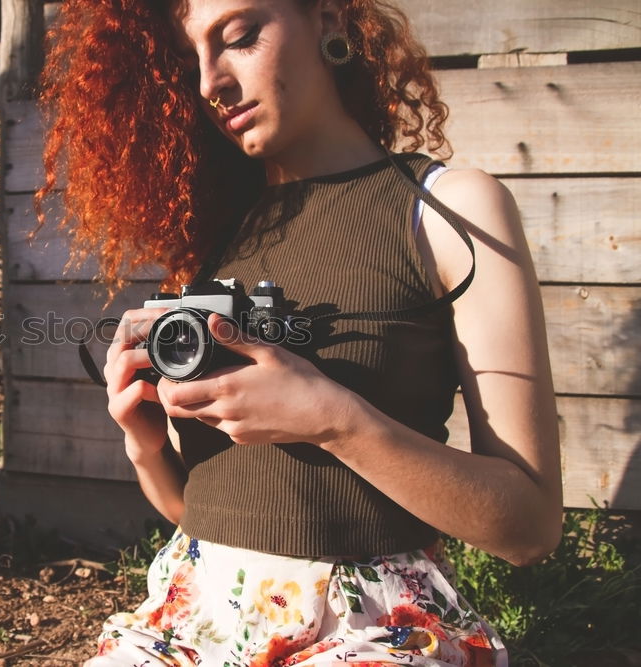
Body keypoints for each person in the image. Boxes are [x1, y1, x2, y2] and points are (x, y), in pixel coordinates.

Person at [35, 0, 562, 665]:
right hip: (193, 615)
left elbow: (531, 526)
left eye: (240, 37)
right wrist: (143, 445)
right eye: (186, 58)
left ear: (332, 21)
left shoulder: (448, 209)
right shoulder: (213, 237)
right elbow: (203, 512)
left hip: (371, 628)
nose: (210, 82)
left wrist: (334, 419)